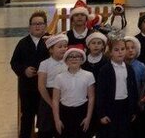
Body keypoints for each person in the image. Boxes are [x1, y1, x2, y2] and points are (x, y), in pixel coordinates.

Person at [10, 10, 50, 138]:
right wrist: (24, 70)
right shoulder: (23, 43)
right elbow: (14, 62)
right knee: (27, 116)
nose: (37, 26)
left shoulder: (50, 42)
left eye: (40, 23)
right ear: (30, 27)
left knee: (44, 117)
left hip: (45, 88)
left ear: (45, 25)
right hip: (27, 88)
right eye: (34, 24)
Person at [96, 39, 138, 138]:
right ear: (110, 52)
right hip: (110, 107)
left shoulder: (129, 68)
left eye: (123, 49)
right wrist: (101, 114)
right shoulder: (105, 70)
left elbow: (133, 90)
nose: (120, 52)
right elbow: (100, 92)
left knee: (124, 132)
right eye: (116, 50)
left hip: (125, 106)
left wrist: (134, 110)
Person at [52, 46, 95, 138]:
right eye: (71, 56)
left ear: (82, 60)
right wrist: (57, 120)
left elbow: (91, 97)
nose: (74, 59)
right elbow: (55, 100)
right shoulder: (59, 77)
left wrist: (88, 118)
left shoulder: (89, 75)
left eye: (77, 56)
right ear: (66, 61)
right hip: (65, 113)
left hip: (82, 111)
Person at [37, 34, 69, 138]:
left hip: (64, 96)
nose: (63, 49)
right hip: (48, 97)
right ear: (51, 50)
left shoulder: (69, 63)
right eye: (60, 47)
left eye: (65, 46)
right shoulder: (45, 64)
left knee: (63, 127)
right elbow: (41, 86)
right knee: (47, 128)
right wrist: (51, 103)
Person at [124, 36, 145, 137]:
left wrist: (141, 99)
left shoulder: (141, 66)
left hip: (137, 102)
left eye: (132, 47)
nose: (130, 50)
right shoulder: (118, 65)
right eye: (127, 48)